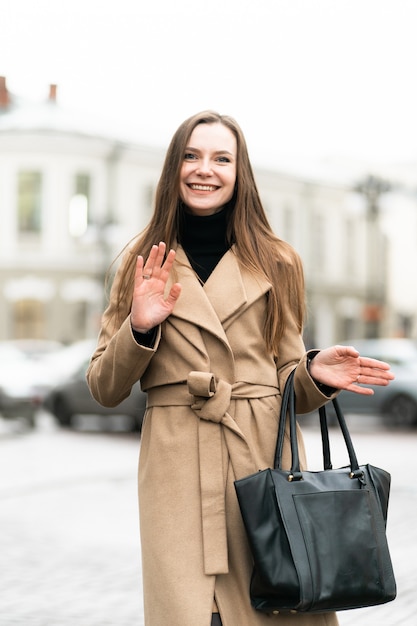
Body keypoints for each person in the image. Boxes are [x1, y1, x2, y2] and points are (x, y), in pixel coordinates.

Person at [86, 111, 394, 626]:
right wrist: (139, 327)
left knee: (275, 602)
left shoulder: (277, 261)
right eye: (192, 155)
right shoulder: (141, 261)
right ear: (173, 168)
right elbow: (103, 387)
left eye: (221, 158)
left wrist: (315, 376)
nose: (204, 169)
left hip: (261, 462)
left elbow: (287, 376)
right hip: (176, 471)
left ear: (238, 172)